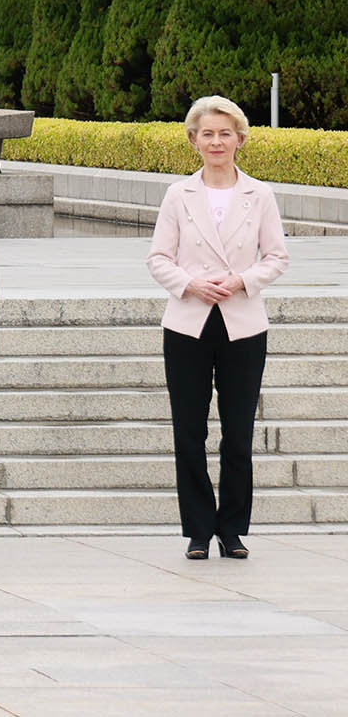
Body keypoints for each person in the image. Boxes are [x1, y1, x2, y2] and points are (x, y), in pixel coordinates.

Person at [149, 94, 290, 560]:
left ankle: (232, 528)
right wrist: (190, 283)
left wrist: (241, 280)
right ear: (193, 140)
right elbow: (158, 258)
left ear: (240, 139)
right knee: (189, 430)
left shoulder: (260, 194)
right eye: (207, 133)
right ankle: (197, 529)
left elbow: (276, 257)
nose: (216, 141)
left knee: (238, 430)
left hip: (243, 324)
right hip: (188, 324)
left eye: (224, 133)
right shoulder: (177, 194)